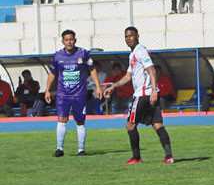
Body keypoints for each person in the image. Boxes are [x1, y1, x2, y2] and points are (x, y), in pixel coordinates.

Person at [103, 26, 174, 165]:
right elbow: (128, 76)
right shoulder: (133, 54)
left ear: (137, 36)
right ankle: (169, 157)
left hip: (142, 95)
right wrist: (114, 86)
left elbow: (152, 70)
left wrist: (154, 90)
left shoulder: (140, 51)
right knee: (157, 124)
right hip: (148, 94)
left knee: (130, 125)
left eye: (131, 36)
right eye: (126, 36)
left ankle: (136, 157)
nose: (128, 38)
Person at [45, 29, 102, 156]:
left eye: (71, 39)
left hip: (79, 95)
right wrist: (47, 90)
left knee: (80, 121)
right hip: (63, 95)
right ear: (63, 41)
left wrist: (98, 87)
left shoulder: (83, 53)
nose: (69, 42)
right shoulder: (57, 56)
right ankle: (59, 148)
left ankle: (81, 150)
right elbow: (52, 74)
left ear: (75, 40)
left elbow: (92, 69)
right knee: (61, 119)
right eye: (66, 40)